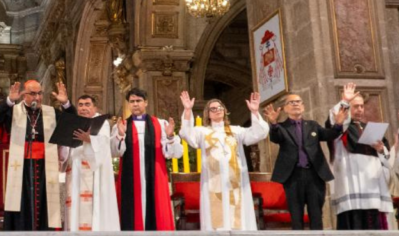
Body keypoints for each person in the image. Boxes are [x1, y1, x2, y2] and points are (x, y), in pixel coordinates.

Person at [0, 80, 75, 230]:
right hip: (20, 168)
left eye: (39, 93)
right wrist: (9, 100)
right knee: (21, 204)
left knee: (45, 205)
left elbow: (73, 122)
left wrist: (66, 104)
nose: (37, 97)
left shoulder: (51, 112)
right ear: (24, 95)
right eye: (33, 93)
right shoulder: (13, 111)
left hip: (45, 168)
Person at [179, 91, 269, 230]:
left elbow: (259, 133)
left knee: (237, 215)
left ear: (225, 112)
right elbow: (186, 134)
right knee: (215, 216)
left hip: (235, 181)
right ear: (207, 114)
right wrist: (187, 110)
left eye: (220, 108)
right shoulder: (202, 132)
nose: (217, 110)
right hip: (213, 182)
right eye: (213, 109)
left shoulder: (236, 131)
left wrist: (255, 112)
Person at [264, 91, 347, 230]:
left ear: (303, 106)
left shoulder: (313, 125)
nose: (296, 104)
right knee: (296, 216)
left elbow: (330, 134)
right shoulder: (282, 127)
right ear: (284, 108)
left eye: (299, 101)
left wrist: (338, 125)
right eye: (292, 102)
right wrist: (273, 123)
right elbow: (275, 137)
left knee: (316, 214)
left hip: (315, 175)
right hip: (293, 176)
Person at [112, 88, 183, 231]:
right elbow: (115, 152)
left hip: (155, 177)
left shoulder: (160, 124)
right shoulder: (121, 126)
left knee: (157, 209)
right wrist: (120, 135)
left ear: (146, 103)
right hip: (130, 178)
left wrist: (170, 137)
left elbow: (174, 154)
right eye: (132, 101)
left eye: (138, 101)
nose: (135, 104)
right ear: (128, 104)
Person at [327, 83, 394, 229]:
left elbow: (388, 159)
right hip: (351, 185)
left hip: (372, 186)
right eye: (356, 106)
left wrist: (381, 149)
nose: (360, 109)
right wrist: (345, 100)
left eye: (362, 106)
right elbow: (335, 120)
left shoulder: (370, 128)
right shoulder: (341, 128)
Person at [62, 95, 119, 232]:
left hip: (94, 174)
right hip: (75, 172)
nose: (83, 108)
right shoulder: (73, 122)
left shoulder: (101, 122)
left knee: (93, 209)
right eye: (80, 105)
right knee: (74, 209)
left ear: (95, 108)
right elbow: (65, 150)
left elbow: (104, 145)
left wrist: (89, 139)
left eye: (87, 104)